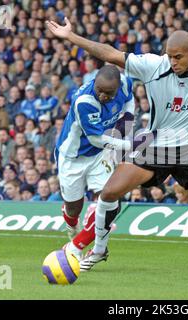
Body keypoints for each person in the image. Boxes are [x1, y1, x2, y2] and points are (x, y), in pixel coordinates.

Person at [47, 17, 188, 274]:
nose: (173, 62)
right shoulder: (153, 66)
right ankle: (99, 250)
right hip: (153, 146)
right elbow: (110, 54)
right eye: (169, 56)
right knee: (109, 194)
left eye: (178, 57)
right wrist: (71, 37)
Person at [55, 65, 135, 267]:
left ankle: (84, 247)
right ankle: (72, 227)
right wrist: (129, 145)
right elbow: (96, 139)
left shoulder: (125, 83)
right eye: (99, 90)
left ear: (117, 87)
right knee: (74, 208)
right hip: (73, 157)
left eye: (109, 93)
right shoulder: (84, 101)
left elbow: (129, 101)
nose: (103, 95)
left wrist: (126, 124)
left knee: (110, 199)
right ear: (94, 83)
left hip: (100, 156)